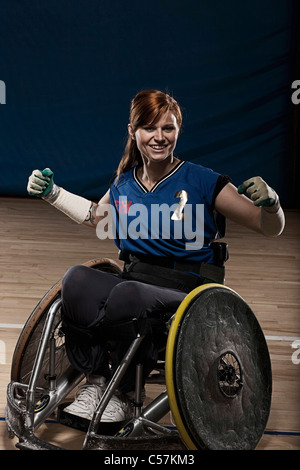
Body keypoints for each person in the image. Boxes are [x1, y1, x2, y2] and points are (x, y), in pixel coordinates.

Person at [27, 89, 285, 424]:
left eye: (169, 128)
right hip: (135, 279)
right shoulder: (124, 183)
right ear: (134, 132)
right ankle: (97, 381)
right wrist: (53, 194)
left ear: (178, 131)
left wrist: (273, 204)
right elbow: (97, 218)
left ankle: (123, 394)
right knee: (77, 279)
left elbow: (267, 227)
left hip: (187, 289)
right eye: (150, 128)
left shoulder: (202, 180)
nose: (159, 137)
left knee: (127, 293)